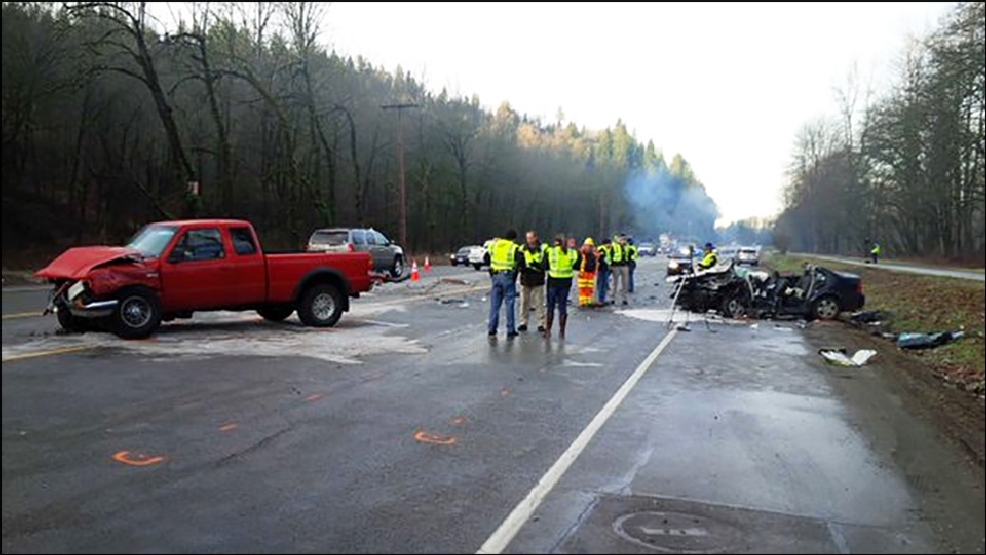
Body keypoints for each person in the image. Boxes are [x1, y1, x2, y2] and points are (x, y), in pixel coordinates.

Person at [487, 229, 524, 339]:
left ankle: (492, 329)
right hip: (507, 276)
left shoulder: (494, 245)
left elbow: (486, 258)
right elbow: (521, 262)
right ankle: (510, 329)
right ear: (514, 238)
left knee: (494, 304)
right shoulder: (514, 247)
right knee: (509, 303)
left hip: (495, 275)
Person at [545, 233, 581, 339]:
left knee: (550, 307)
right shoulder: (573, 253)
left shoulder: (550, 252)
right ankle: (562, 330)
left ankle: (548, 330)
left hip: (553, 281)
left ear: (556, 242)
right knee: (562, 307)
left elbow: (545, 265)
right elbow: (577, 265)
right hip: (565, 282)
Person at [518, 230, 548, 333]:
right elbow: (519, 262)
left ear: (536, 238)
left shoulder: (543, 248)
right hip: (525, 278)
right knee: (524, 303)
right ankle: (523, 322)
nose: (529, 240)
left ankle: (541, 323)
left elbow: (545, 264)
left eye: (531, 238)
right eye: (527, 238)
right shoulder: (522, 248)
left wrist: (537, 266)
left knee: (539, 303)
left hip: (538, 279)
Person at [578, 238, 598, 307]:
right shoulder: (581, 253)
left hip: (590, 273)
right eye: (587, 245)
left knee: (589, 289)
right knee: (583, 288)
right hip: (583, 273)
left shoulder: (594, 255)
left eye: (590, 246)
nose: (589, 247)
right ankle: (583, 302)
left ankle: (588, 301)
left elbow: (596, 263)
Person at [610, 234, 630, 306]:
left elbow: (629, 256)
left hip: (624, 265)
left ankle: (624, 299)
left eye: (625, 239)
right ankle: (612, 298)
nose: (624, 241)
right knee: (615, 283)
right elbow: (610, 256)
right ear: (619, 239)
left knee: (625, 283)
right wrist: (610, 265)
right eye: (622, 239)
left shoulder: (627, 247)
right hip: (616, 266)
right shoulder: (614, 246)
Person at [595, 237, 612, 305]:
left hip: (604, 268)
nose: (610, 245)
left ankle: (602, 299)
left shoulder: (605, 249)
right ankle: (600, 300)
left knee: (603, 285)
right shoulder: (601, 249)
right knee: (602, 285)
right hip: (602, 269)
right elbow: (601, 259)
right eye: (609, 244)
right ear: (606, 244)